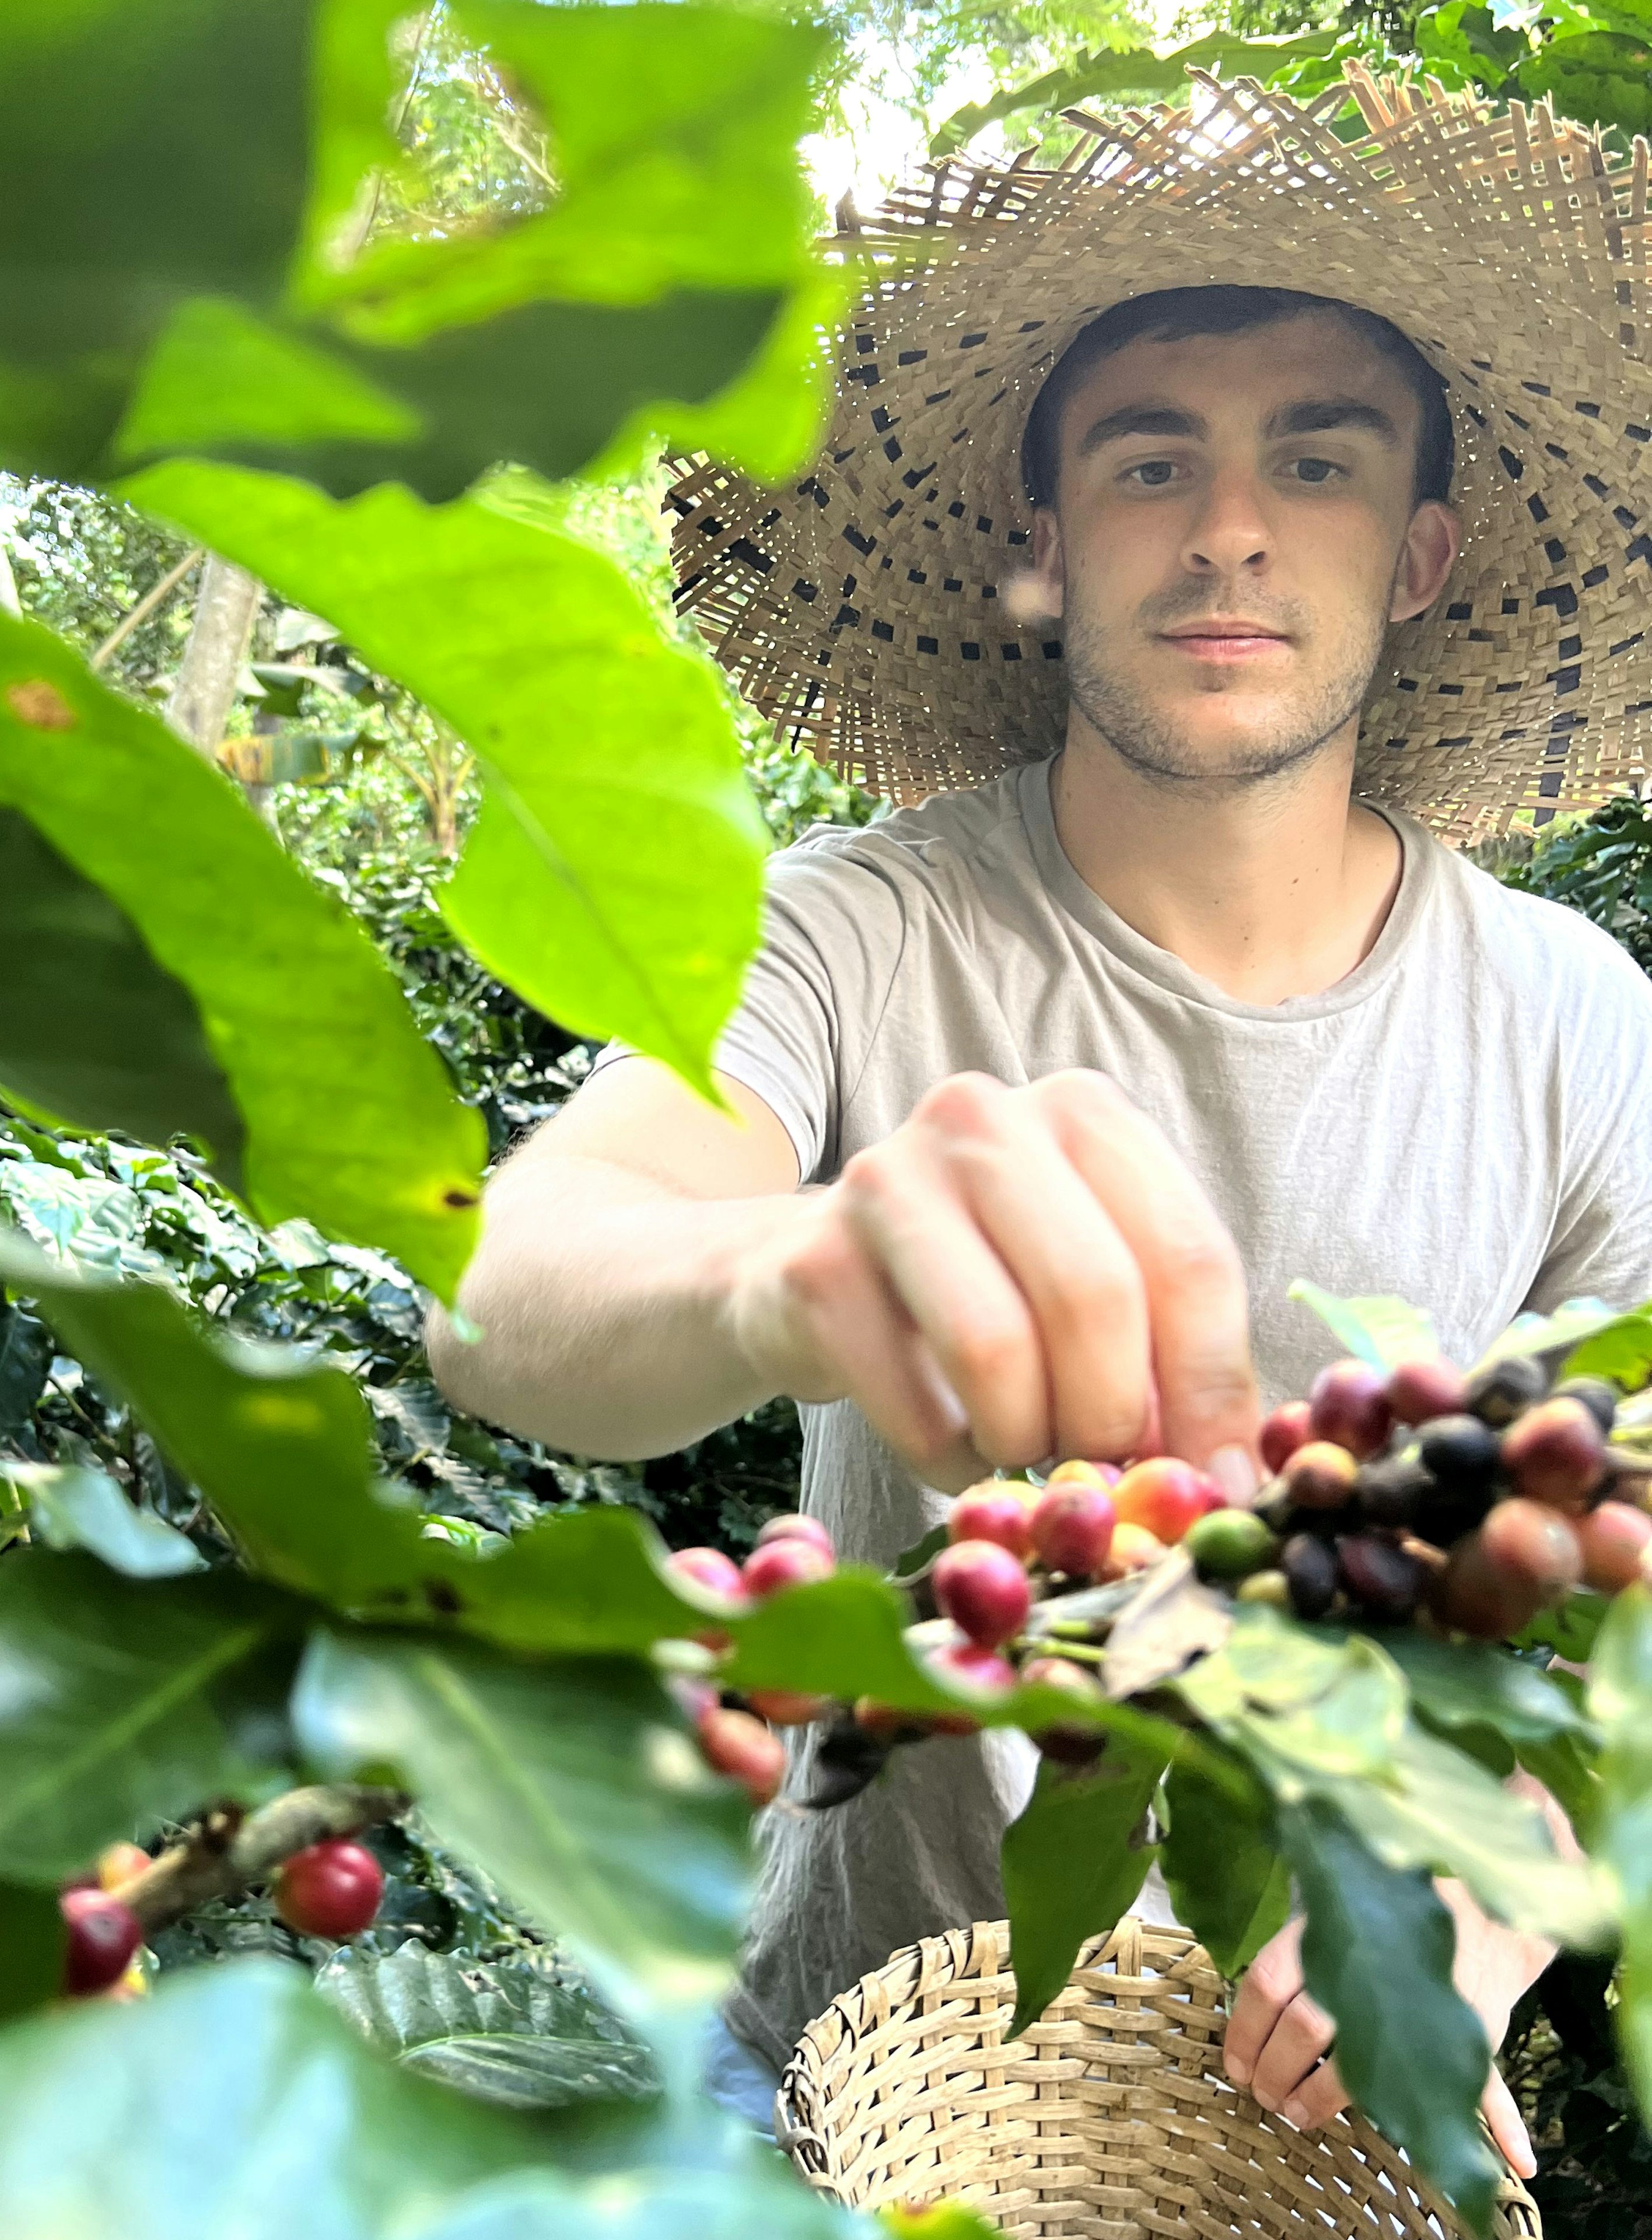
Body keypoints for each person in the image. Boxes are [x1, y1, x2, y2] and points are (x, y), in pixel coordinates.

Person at [429, 71, 1652, 2178]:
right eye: (1149, 455)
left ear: (1425, 551)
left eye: (1321, 460)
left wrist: (1503, 1871)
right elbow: (511, 1291)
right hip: (825, 2073)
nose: (1231, 525)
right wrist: (776, 1268)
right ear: (1043, 536)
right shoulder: (858, 929)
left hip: (1305, 2120)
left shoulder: (1571, 1018)